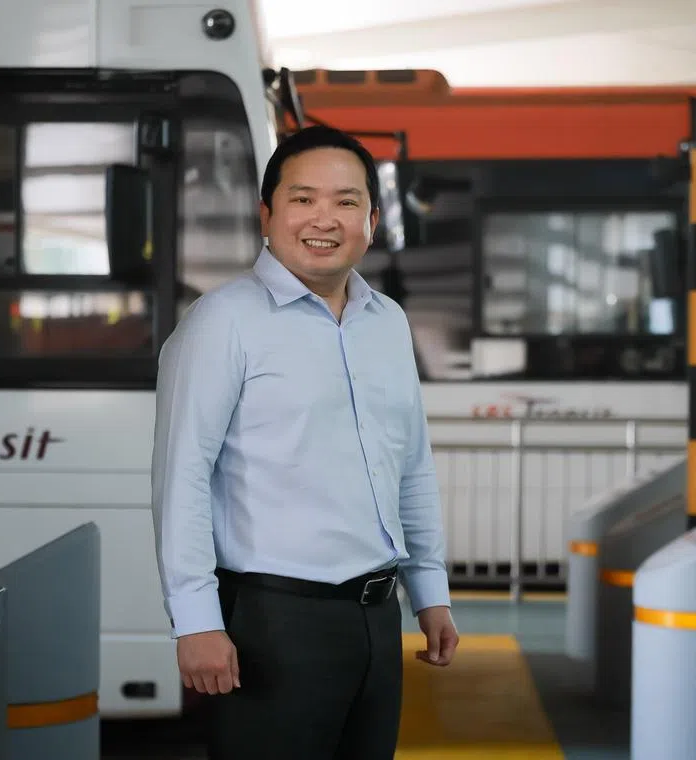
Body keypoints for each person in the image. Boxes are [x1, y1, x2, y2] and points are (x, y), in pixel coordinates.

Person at [151, 125, 459, 760]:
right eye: (303, 198)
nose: (326, 218)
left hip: (377, 616)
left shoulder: (387, 322)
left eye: (347, 202)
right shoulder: (224, 322)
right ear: (266, 214)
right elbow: (181, 476)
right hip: (273, 621)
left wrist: (430, 591)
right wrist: (197, 621)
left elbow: (413, 465)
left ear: (372, 221)